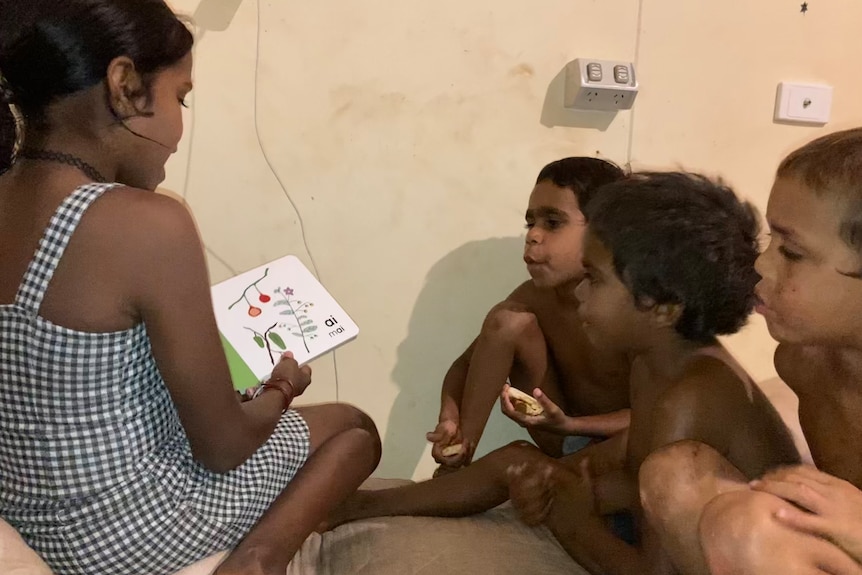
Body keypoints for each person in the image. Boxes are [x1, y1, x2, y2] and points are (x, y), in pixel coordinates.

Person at [0, 3, 380, 575]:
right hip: (125, 535)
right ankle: (257, 559)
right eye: (181, 97)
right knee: (354, 428)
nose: (180, 128)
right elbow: (222, 448)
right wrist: (282, 384)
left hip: (27, 514)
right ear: (125, 86)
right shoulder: (148, 222)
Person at [327, 172, 799, 575]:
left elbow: (655, 569)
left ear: (658, 307)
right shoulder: (656, 362)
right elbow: (628, 469)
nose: (579, 296)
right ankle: (360, 506)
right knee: (519, 461)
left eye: (594, 279)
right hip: (650, 507)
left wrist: (568, 516)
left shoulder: (692, 395)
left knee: (544, 478)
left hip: (714, 549)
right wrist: (557, 483)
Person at [640, 128, 862, 575]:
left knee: (750, 530)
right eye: (771, 241)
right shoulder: (806, 362)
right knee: (674, 475)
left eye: (793, 252)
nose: (761, 263)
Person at [428, 157, 632, 475]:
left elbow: (658, 411)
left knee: (513, 463)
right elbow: (463, 367)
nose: (533, 235)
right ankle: (459, 460)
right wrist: (450, 420)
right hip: (562, 442)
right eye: (530, 223)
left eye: (553, 223)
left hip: (621, 449)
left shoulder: (633, 307)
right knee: (506, 321)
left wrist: (573, 424)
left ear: (604, 232)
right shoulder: (532, 297)